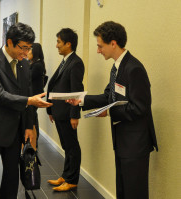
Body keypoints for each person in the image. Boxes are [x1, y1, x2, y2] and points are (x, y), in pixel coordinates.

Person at [66, 21, 158, 199]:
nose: (98, 51)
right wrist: (80, 100)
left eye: (100, 46)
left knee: (134, 192)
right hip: (123, 140)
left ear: (113, 43)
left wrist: (108, 112)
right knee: (123, 190)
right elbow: (108, 97)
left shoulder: (134, 68)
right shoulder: (117, 67)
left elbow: (140, 108)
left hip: (135, 143)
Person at [0, 22, 52, 199]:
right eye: (23, 48)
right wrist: (29, 100)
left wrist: (29, 126)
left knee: (12, 177)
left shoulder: (24, 66)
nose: (25, 53)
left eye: (29, 48)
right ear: (9, 42)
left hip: (14, 132)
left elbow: (28, 95)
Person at [46, 28, 85, 192]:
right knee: (66, 146)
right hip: (59, 111)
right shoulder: (65, 61)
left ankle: (72, 180)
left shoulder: (76, 63)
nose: (56, 46)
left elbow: (76, 91)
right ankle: (66, 175)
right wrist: (50, 109)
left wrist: (74, 115)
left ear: (68, 44)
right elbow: (54, 84)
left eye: (59, 42)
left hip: (68, 113)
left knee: (72, 146)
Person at [27, 42, 47, 150]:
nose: (27, 52)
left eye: (30, 50)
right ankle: (33, 142)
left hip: (35, 95)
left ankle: (34, 142)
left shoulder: (37, 65)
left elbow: (27, 77)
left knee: (32, 118)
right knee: (33, 117)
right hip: (32, 95)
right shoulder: (32, 63)